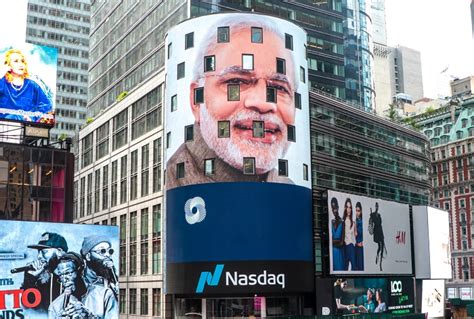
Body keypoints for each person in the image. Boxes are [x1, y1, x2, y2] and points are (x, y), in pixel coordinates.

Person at [166, 15, 299, 188]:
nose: (263, 102)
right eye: (237, 82)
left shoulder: (290, 188)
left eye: (280, 88)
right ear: (196, 100)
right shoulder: (171, 183)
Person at [48, 252, 118, 319]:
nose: (64, 279)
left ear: (81, 270)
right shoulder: (55, 307)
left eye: (68, 273)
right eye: (61, 275)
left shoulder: (105, 295)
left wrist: (88, 317)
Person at [0, 49, 53, 123]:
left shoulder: (32, 85)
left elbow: (46, 105)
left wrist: (32, 117)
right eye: (16, 61)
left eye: (22, 61)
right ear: (8, 65)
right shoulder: (2, 82)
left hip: (26, 127)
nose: (21, 64)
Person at [21, 232, 68, 312]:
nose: (39, 256)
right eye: (38, 252)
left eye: (44, 252)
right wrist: (30, 279)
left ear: (59, 251)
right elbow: (30, 307)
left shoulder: (74, 276)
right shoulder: (40, 278)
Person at [81, 235, 119, 300]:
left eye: (110, 251)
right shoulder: (79, 281)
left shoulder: (114, 281)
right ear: (88, 256)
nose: (107, 255)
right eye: (102, 251)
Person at [369, 202, 386, 271]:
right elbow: (371, 223)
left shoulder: (379, 215)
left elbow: (380, 223)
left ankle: (380, 263)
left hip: (380, 231)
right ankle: (378, 257)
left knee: (382, 247)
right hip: (376, 232)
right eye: (376, 206)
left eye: (377, 206)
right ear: (375, 207)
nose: (377, 207)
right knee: (380, 246)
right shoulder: (372, 214)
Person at [331, 197, 345, 271]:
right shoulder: (331, 222)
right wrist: (337, 240)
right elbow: (330, 241)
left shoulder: (342, 222)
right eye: (333, 208)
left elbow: (342, 243)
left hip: (340, 255)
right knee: (333, 280)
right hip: (332, 256)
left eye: (335, 207)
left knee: (341, 279)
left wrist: (333, 242)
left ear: (338, 207)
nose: (334, 210)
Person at [343, 198, 357, 271]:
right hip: (346, 246)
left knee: (353, 267)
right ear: (345, 208)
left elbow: (355, 234)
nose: (348, 209)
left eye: (350, 207)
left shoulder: (353, 222)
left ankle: (351, 282)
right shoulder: (343, 221)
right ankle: (341, 282)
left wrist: (355, 226)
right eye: (347, 207)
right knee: (345, 267)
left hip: (352, 246)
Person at [355, 202, 364, 270]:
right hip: (357, 248)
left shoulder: (363, 221)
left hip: (363, 248)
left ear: (361, 211)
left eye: (358, 211)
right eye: (356, 211)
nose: (357, 213)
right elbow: (355, 235)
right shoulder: (355, 221)